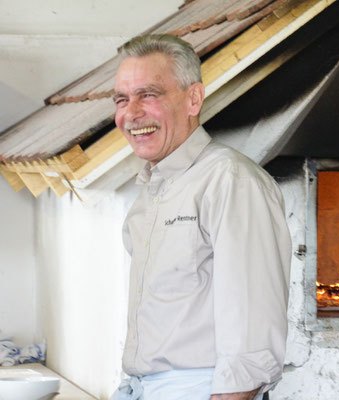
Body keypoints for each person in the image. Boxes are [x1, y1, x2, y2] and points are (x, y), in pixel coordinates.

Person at [110, 34, 292, 400]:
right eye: (122, 99)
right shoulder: (152, 190)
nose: (131, 114)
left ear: (193, 99)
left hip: (202, 390)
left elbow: (252, 329)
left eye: (149, 94)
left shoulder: (229, 180)